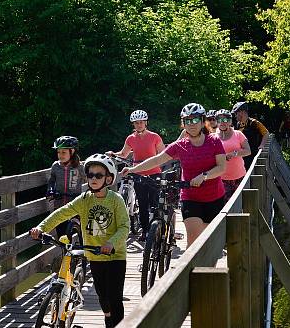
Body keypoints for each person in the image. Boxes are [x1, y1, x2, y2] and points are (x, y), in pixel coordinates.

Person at [31, 154, 129, 328]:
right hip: (93, 255)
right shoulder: (85, 200)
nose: (93, 179)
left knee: (115, 297)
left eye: (98, 175)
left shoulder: (116, 200)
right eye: (90, 175)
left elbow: (124, 227)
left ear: (108, 178)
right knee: (102, 296)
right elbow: (62, 213)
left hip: (115, 255)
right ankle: (108, 319)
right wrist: (41, 227)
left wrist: (111, 243)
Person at [122, 103, 226, 247]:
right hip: (190, 197)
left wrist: (204, 176)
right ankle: (191, 268)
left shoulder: (214, 141)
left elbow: (221, 167)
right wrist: (133, 169)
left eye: (195, 120)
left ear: (203, 121)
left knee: (211, 243)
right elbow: (157, 159)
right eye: (187, 121)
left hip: (214, 196)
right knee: (194, 240)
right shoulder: (180, 145)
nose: (192, 124)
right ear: (183, 124)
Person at [106, 110, 165, 241]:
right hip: (138, 173)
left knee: (154, 203)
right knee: (143, 204)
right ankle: (145, 231)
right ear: (133, 124)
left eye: (141, 122)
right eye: (136, 123)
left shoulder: (154, 136)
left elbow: (163, 154)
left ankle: (157, 229)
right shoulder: (130, 138)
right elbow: (124, 154)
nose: (139, 125)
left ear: (146, 123)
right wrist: (113, 154)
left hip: (154, 172)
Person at [47, 136, 86, 239]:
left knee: (78, 231)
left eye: (63, 152)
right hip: (59, 204)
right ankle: (65, 254)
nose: (60, 155)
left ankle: (81, 249)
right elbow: (52, 180)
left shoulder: (79, 167)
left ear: (72, 152)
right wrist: (50, 190)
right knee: (61, 235)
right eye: (58, 152)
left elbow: (89, 180)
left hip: (75, 204)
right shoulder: (56, 166)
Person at [215, 109, 251, 200]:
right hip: (221, 178)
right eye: (219, 120)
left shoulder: (238, 134)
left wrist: (234, 153)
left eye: (225, 120)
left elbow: (248, 151)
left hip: (239, 176)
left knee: (241, 204)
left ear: (230, 121)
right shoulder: (213, 137)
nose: (222, 122)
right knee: (226, 206)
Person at [231, 101, 269, 170]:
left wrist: (262, 145)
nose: (235, 116)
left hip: (253, 155)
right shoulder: (237, 125)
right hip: (242, 155)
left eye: (236, 113)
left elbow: (266, 133)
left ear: (242, 112)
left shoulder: (254, 123)